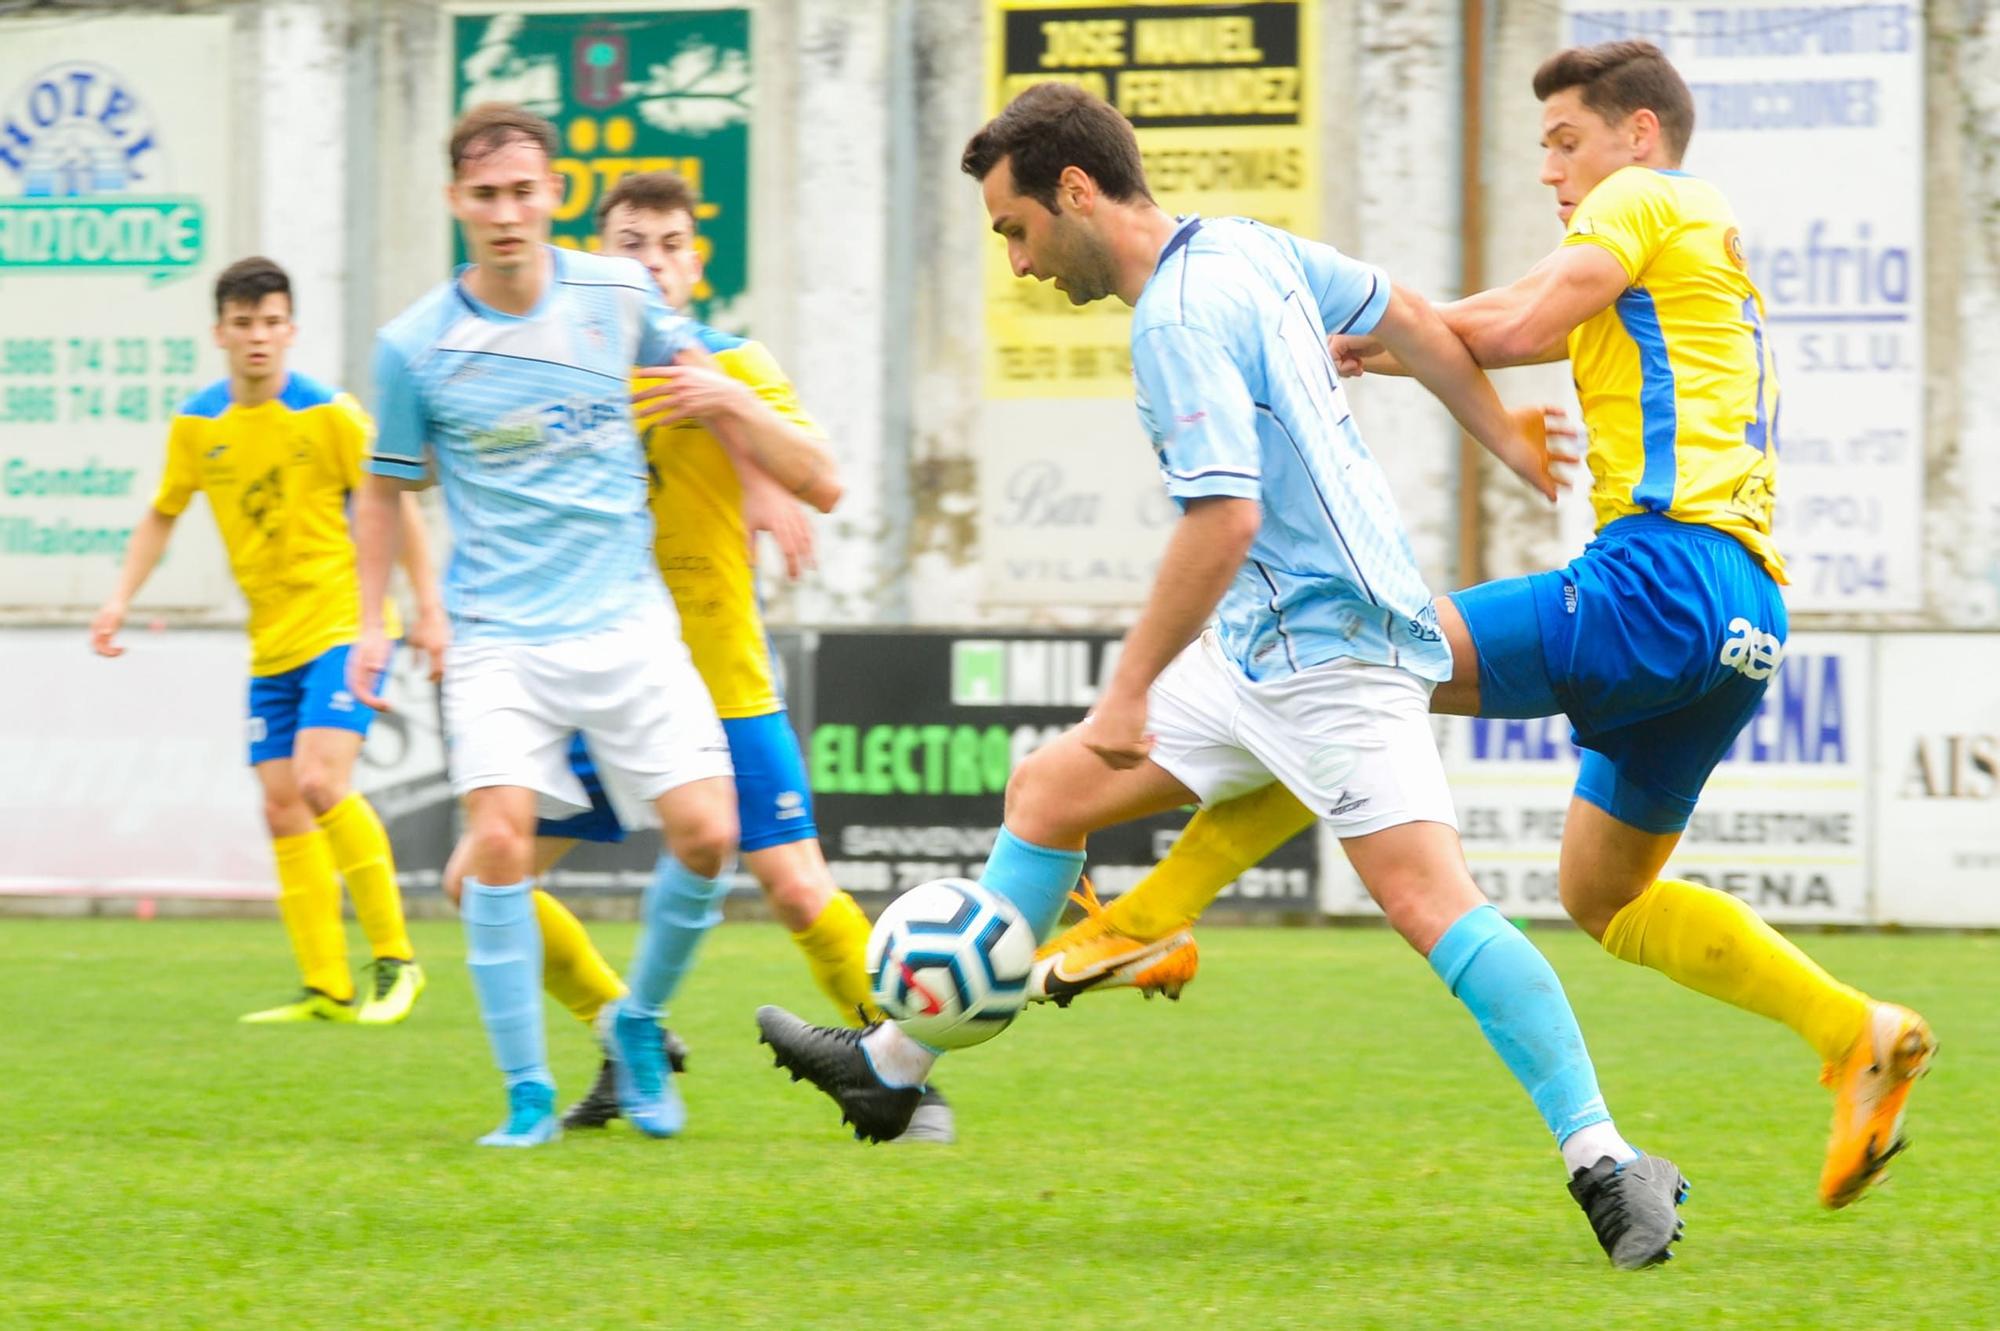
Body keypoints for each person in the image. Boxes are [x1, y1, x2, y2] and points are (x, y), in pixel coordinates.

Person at [757, 82, 1687, 1269]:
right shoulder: (1242, 246)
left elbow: (1224, 519)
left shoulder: (1173, 320)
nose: (1018, 263)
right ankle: (890, 1069)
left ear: (1076, 191)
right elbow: (1400, 308)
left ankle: (1605, 1162)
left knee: (1427, 903)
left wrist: (1126, 688)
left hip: (1334, 651)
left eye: (1016, 230)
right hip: (1259, 649)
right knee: (1047, 793)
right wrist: (1499, 432)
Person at [1031, 39, 1935, 1212]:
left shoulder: (1643, 197)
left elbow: (1517, 320)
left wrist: (1365, 333)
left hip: (1660, 574)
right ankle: (1851, 1030)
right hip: (1743, 616)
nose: (1553, 171)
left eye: (1565, 141)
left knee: (1353, 657)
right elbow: (1528, 318)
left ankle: (1149, 919)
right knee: (1602, 893)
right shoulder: (1683, 253)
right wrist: (1404, 343)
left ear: (1638, 133)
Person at [435, 170, 952, 1142]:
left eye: (671, 245)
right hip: (578, 670)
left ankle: (897, 1074)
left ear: (694, 262)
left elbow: (826, 480)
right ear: (598, 256)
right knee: (477, 879)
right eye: (631, 243)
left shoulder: (731, 363)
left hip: (714, 678)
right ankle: (623, 1028)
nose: (654, 262)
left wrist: (731, 415)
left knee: (798, 884)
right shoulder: (564, 370)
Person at [352, 104, 832, 1147]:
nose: (507, 213)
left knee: (709, 833)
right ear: (454, 204)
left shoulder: (616, 296)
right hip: (498, 637)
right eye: (484, 195)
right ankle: (526, 1090)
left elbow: (699, 383)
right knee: (492, 845)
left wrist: (757, 473)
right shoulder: (414, 345)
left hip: (626, 621)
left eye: (524, 191)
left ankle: (642, 1025)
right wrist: (373, 619)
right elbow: (382, 487)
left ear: (554, 195)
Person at [91, 256, 439, 1026]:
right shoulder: (198, 426)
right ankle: (327, 986)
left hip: (341, 630)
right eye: (243, 323)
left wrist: (427, 608)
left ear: (292, 330)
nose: (258, 337)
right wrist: (120, 596)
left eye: (272, 322)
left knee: (320, 781)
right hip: (270, 643)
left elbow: (395, 504)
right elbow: (163, 512)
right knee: (282, 806)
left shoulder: (332, 415)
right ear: (220, 332)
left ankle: (396, 960)